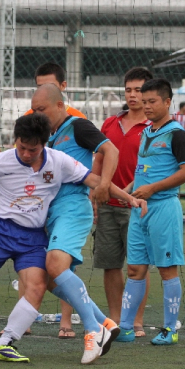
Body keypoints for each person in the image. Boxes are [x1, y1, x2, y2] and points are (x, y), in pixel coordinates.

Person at [0, 113, 145, 365]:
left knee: (47, 275)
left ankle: (87, 330)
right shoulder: (1, 161)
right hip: (1, 230)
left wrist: (129, 198)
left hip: (45, 228)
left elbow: (96, 175)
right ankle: (102, 322)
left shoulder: (61, 157)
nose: (26, 154)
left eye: (33, 149)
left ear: (44, 143)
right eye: (22, 147)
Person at [31, 83, 126, 345]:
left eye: (42, 109)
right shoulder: (49, 137)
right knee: (48, 278)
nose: (37, 114)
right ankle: (103, 323)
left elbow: (111, 150)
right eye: (34, 110)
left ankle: (94, 331)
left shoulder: (78, 126)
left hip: (72, 206)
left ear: (60, 105)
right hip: (51, 212)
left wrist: (105, 183)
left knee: (54, 267)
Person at [120, 78, 185, 346]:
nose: (146, 105)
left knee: (167, 269)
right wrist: (126, 191)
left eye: (152, 101)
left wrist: (152, 189)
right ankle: (125, 327)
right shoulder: (147, 132)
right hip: (140, 211)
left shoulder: (177, 134)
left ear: (167, 102)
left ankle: (169, 329)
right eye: (144, 100)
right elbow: (141, 173)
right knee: (134, 269)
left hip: (163, 208)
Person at [22, 61, 83, 335]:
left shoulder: (76, 121)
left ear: (62, 89)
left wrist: (97, 186)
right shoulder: (31, 120)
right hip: (39, 205)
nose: (42, 92)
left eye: (50, 86)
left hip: (69, 204)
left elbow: (103, 152)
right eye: (38, 86)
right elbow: (22, 157)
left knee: (62, 262)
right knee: (30, 259)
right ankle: (24, 318)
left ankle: (67, 321)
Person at [91, 66, 152, 338]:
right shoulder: (109, 123)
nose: (133, 95)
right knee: (110, 263)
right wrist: (94, 192)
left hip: (137, 205)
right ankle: (116, 318)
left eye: (139, 90)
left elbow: (152, 167)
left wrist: (128, 193)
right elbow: (99, 161)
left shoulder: (155, 127)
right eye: (129, 89)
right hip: (107, 204)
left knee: (138, 265)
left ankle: (136, 319)